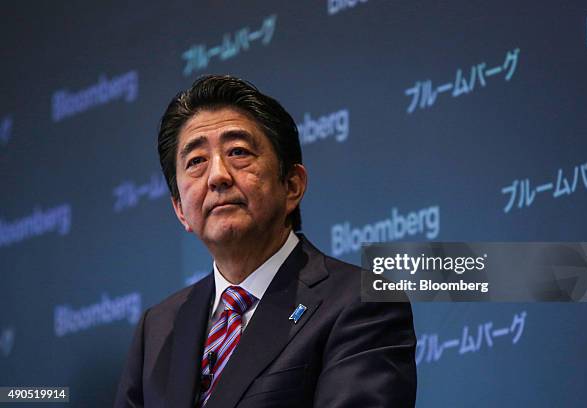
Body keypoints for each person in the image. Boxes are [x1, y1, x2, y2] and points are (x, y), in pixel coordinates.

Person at [114, 75, 417, 408]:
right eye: (196, 161)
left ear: (291, 185)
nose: (217, 176)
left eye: (238, 152)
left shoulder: (359, 303)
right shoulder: (158, 329)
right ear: (180, 211)